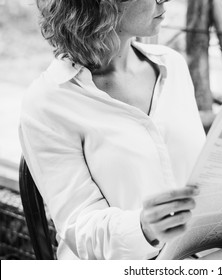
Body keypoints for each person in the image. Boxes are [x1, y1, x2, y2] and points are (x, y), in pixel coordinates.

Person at [19, 0, 206, 259]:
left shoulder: (173, 66)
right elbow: (80, 228)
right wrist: (143, 227)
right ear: (103, 5)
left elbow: (199, 174)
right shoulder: (47, 102)